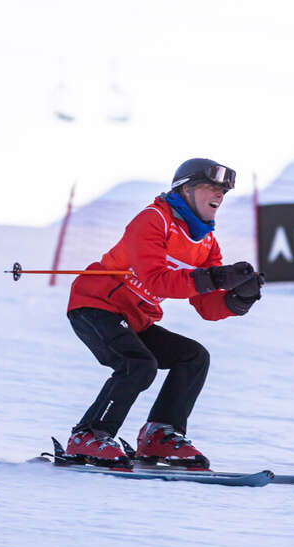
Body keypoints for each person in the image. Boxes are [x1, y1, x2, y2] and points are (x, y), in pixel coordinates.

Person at [65, 158, 265, 468]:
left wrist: (239, 298)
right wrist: (214, 278)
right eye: (211, 187)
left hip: (135, 318)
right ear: (184, 190)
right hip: (95, 305)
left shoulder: (207, 243)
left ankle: (160, 435)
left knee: (194, 357)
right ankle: (89, 435)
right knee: (138, 364)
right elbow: (155, 279)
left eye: (223, 190)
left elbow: (206, 307)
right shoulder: (153, 219)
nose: (219, 195)